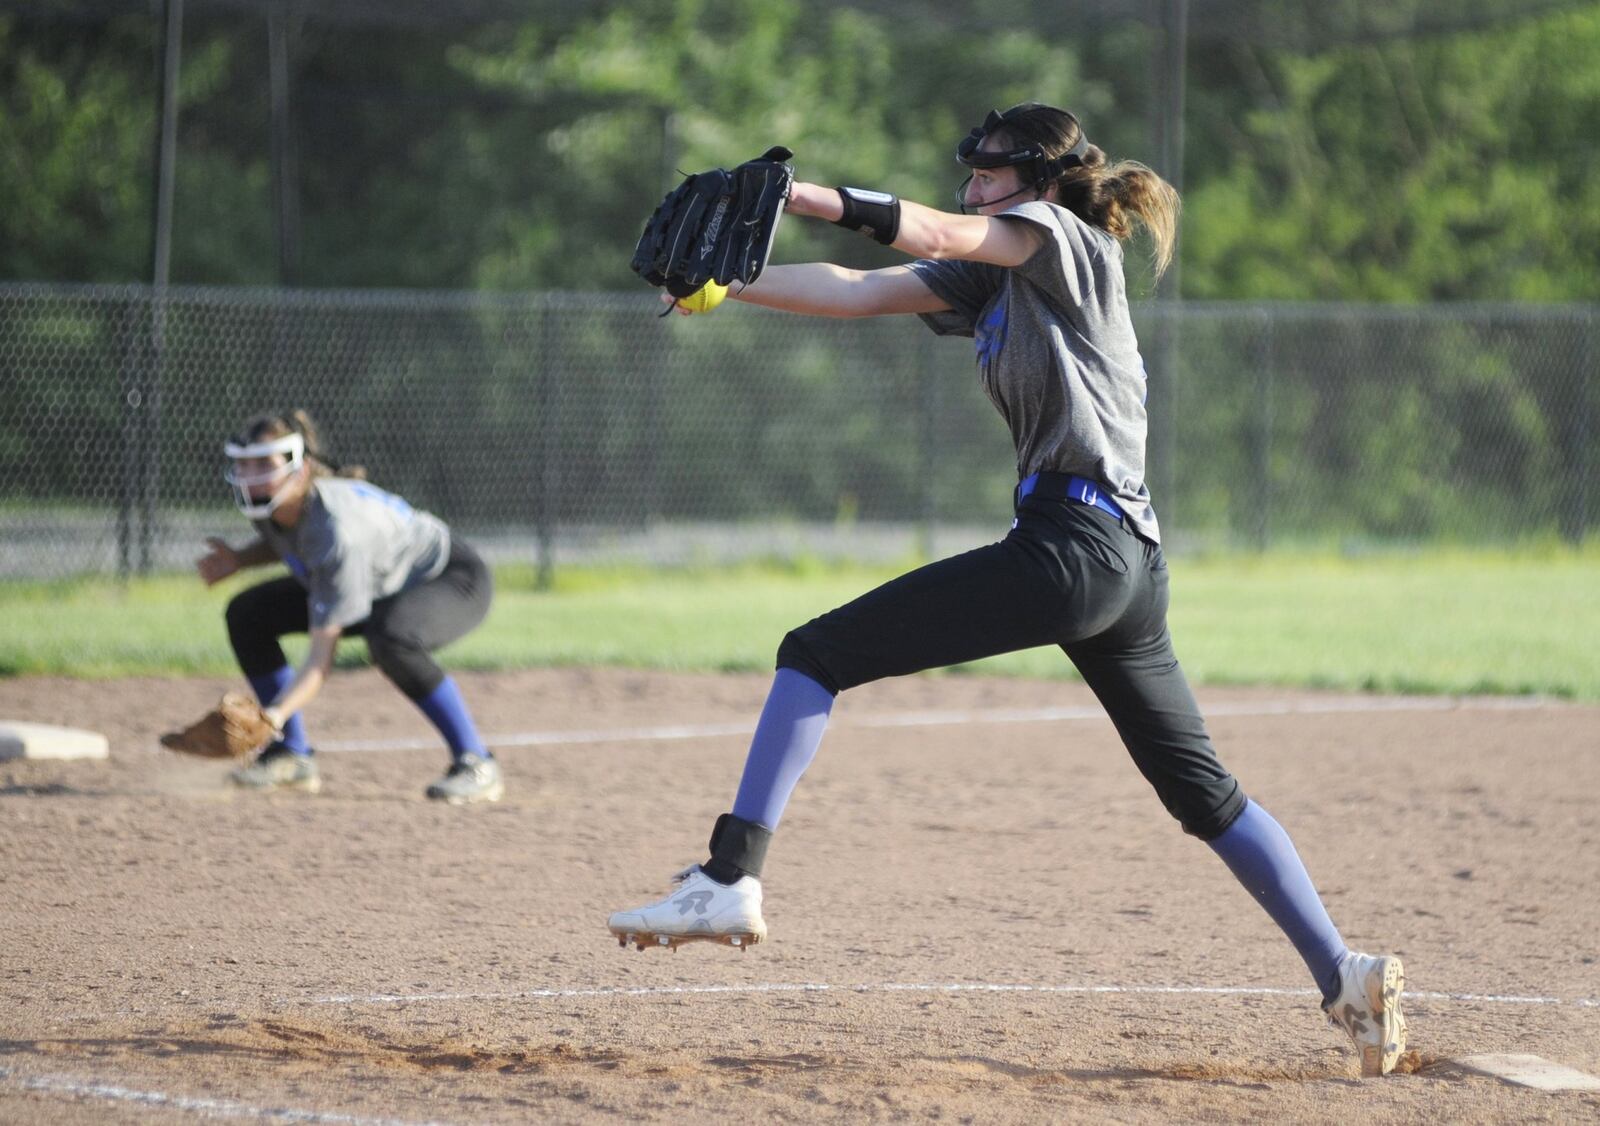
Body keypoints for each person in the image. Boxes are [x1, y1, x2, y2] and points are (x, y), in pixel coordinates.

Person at [607, 104, 1407, 1076]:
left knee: (813, 652)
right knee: (1205, 797)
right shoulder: (993, 279)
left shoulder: (1062, 241)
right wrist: (728, 282)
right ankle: (1345, 975)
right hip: (1119, 562)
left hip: (1077, 548)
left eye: (988, 174)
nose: (971, 186)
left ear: (1036, 181)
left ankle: (729, 876)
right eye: (972, 173)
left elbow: (940, 231)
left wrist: (802, 192)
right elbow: (861, 293)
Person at [195, 409, 503, 804]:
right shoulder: (277, 504)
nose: (253, 475)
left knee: (392, 639)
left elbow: (321, 660)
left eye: (265, 463)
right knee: (248, 614)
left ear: (300, 468)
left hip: (450, 578)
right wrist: (240, 560)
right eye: (246, 464)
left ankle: (476, 761)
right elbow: (293, 541)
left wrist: (273, 715)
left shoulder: (338, 532)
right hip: (378, 584)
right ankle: (292, 756)